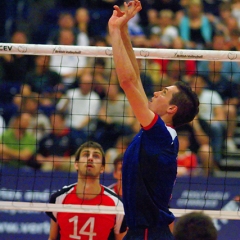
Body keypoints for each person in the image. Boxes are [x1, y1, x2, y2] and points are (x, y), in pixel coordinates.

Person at [108, 1, 199, 239]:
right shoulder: (157, 133)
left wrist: (114, 32)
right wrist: (124, 28)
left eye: (165, 92)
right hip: (142, 231)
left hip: (149, 233)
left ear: (171, 108)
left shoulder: (162, 135)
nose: (157, 92)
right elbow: (135, 78)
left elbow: (127, 82)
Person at [46, 141, 127, 240]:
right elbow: (52, 238)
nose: (90, 158)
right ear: (76, 164)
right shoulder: (59, 199)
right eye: (86, 155)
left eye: (96, 156)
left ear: (102, 168)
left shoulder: (117, 204)